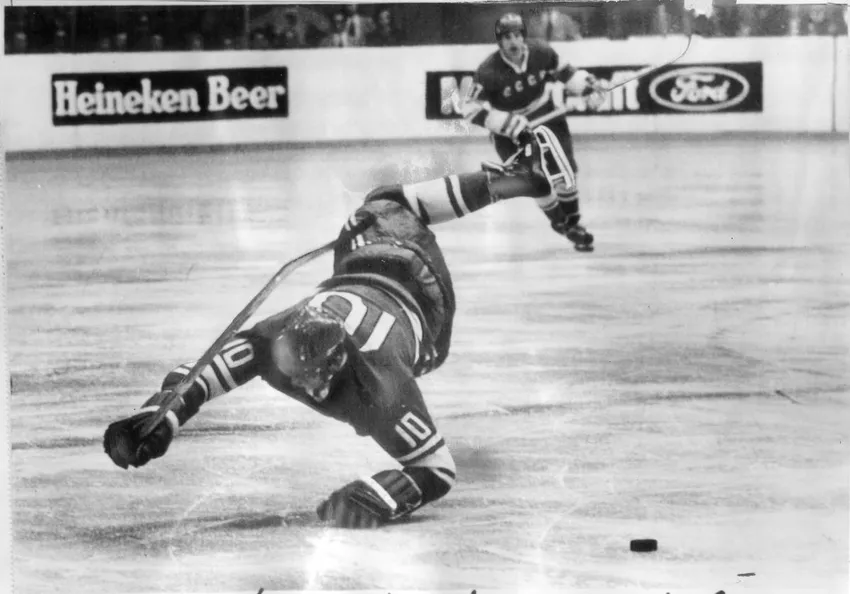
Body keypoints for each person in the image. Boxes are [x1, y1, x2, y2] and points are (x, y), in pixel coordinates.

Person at [103, 131, 580, 529]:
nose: (301, 386)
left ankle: (520, 179)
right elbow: (202, 375)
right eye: (295, 372)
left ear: (338, 365)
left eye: (309, 377)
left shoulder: (382, 389)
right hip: (363, 268)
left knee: (384, 203)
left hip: (426, 308)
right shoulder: (277, 336)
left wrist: (377, 498)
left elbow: (438, 470)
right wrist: (156, 419)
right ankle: (518, 179)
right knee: (379, 206)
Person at [462, 12, 606, 252]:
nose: (513, 42)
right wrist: (504, 123)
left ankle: (573, 225)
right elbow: (468, 108)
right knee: (533, 181)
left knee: (566, 172)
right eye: (507, 37)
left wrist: (588, 86)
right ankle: (559, 223)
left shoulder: (541, 52)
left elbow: (568, 74)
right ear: (499, 42)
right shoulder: (488, 70)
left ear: (524, 37)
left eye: (517, 35)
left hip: (546, 117)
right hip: (510, 132)